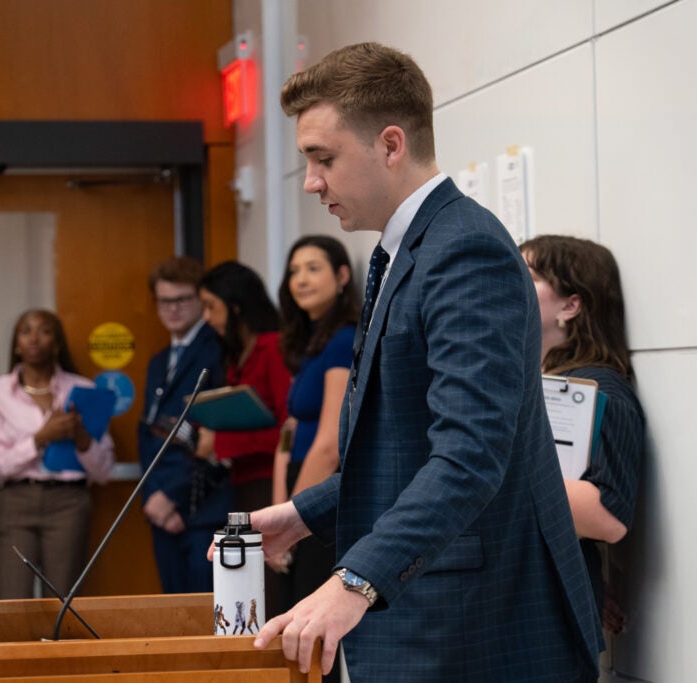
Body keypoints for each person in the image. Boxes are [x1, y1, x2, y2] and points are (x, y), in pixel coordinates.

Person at [246, 43, 602, 680]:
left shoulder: (465, 251)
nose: (311, 182)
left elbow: (469, 457)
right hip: (441, 616)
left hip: (478, 625)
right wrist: (303, 515)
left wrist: (353, 579)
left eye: (323, 159)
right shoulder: (410, 248)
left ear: (390, 144)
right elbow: (403, 446)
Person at [520, 235, 645, 628]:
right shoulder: (528, 380)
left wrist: (484, 475)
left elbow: (607, 515)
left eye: (530, 275)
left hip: (541, 613)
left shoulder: (599, 391)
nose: (510, 281)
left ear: (571, 305)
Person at [0, 309, 114, 599]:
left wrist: (82, 439)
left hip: (69, 502)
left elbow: (103, 470)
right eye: (26, 331)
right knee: (12, 601)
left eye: (44, 330)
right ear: (16, 343)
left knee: (64, 600)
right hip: (15, 500)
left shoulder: (84, 390)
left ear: (57, 342)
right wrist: (40, 439)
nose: (34, 338)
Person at [275, 235, 358, 683]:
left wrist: (293, 518)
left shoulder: (344, 339)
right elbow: (288, 432)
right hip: (296, 491)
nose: (300, 279)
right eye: (293, 271)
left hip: (319, 497)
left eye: (313, 268)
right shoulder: (309, 342)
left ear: (343, 276)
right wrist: (276, 506)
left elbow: (329, 442)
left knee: (311, 636)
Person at [197, 261, 291, 618]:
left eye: (211, 306)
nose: (206, 318)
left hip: (272, 484)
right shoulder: (238, 355)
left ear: (235, 306)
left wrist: (220, 445)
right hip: (244, 484)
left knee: (274, 595)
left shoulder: (273, 348)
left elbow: (287, 431)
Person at [138, 256, 231, 594]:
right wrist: (152, 496)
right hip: (159, 509)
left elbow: (215, 433)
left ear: (200, 300)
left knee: (204, 614)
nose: (173, 309)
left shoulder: (217, 350)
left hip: (201, 506)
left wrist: (171, 496)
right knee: (172, 614)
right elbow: (150, 432)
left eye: (182, 300)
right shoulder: (158, 361)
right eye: (165, 300)